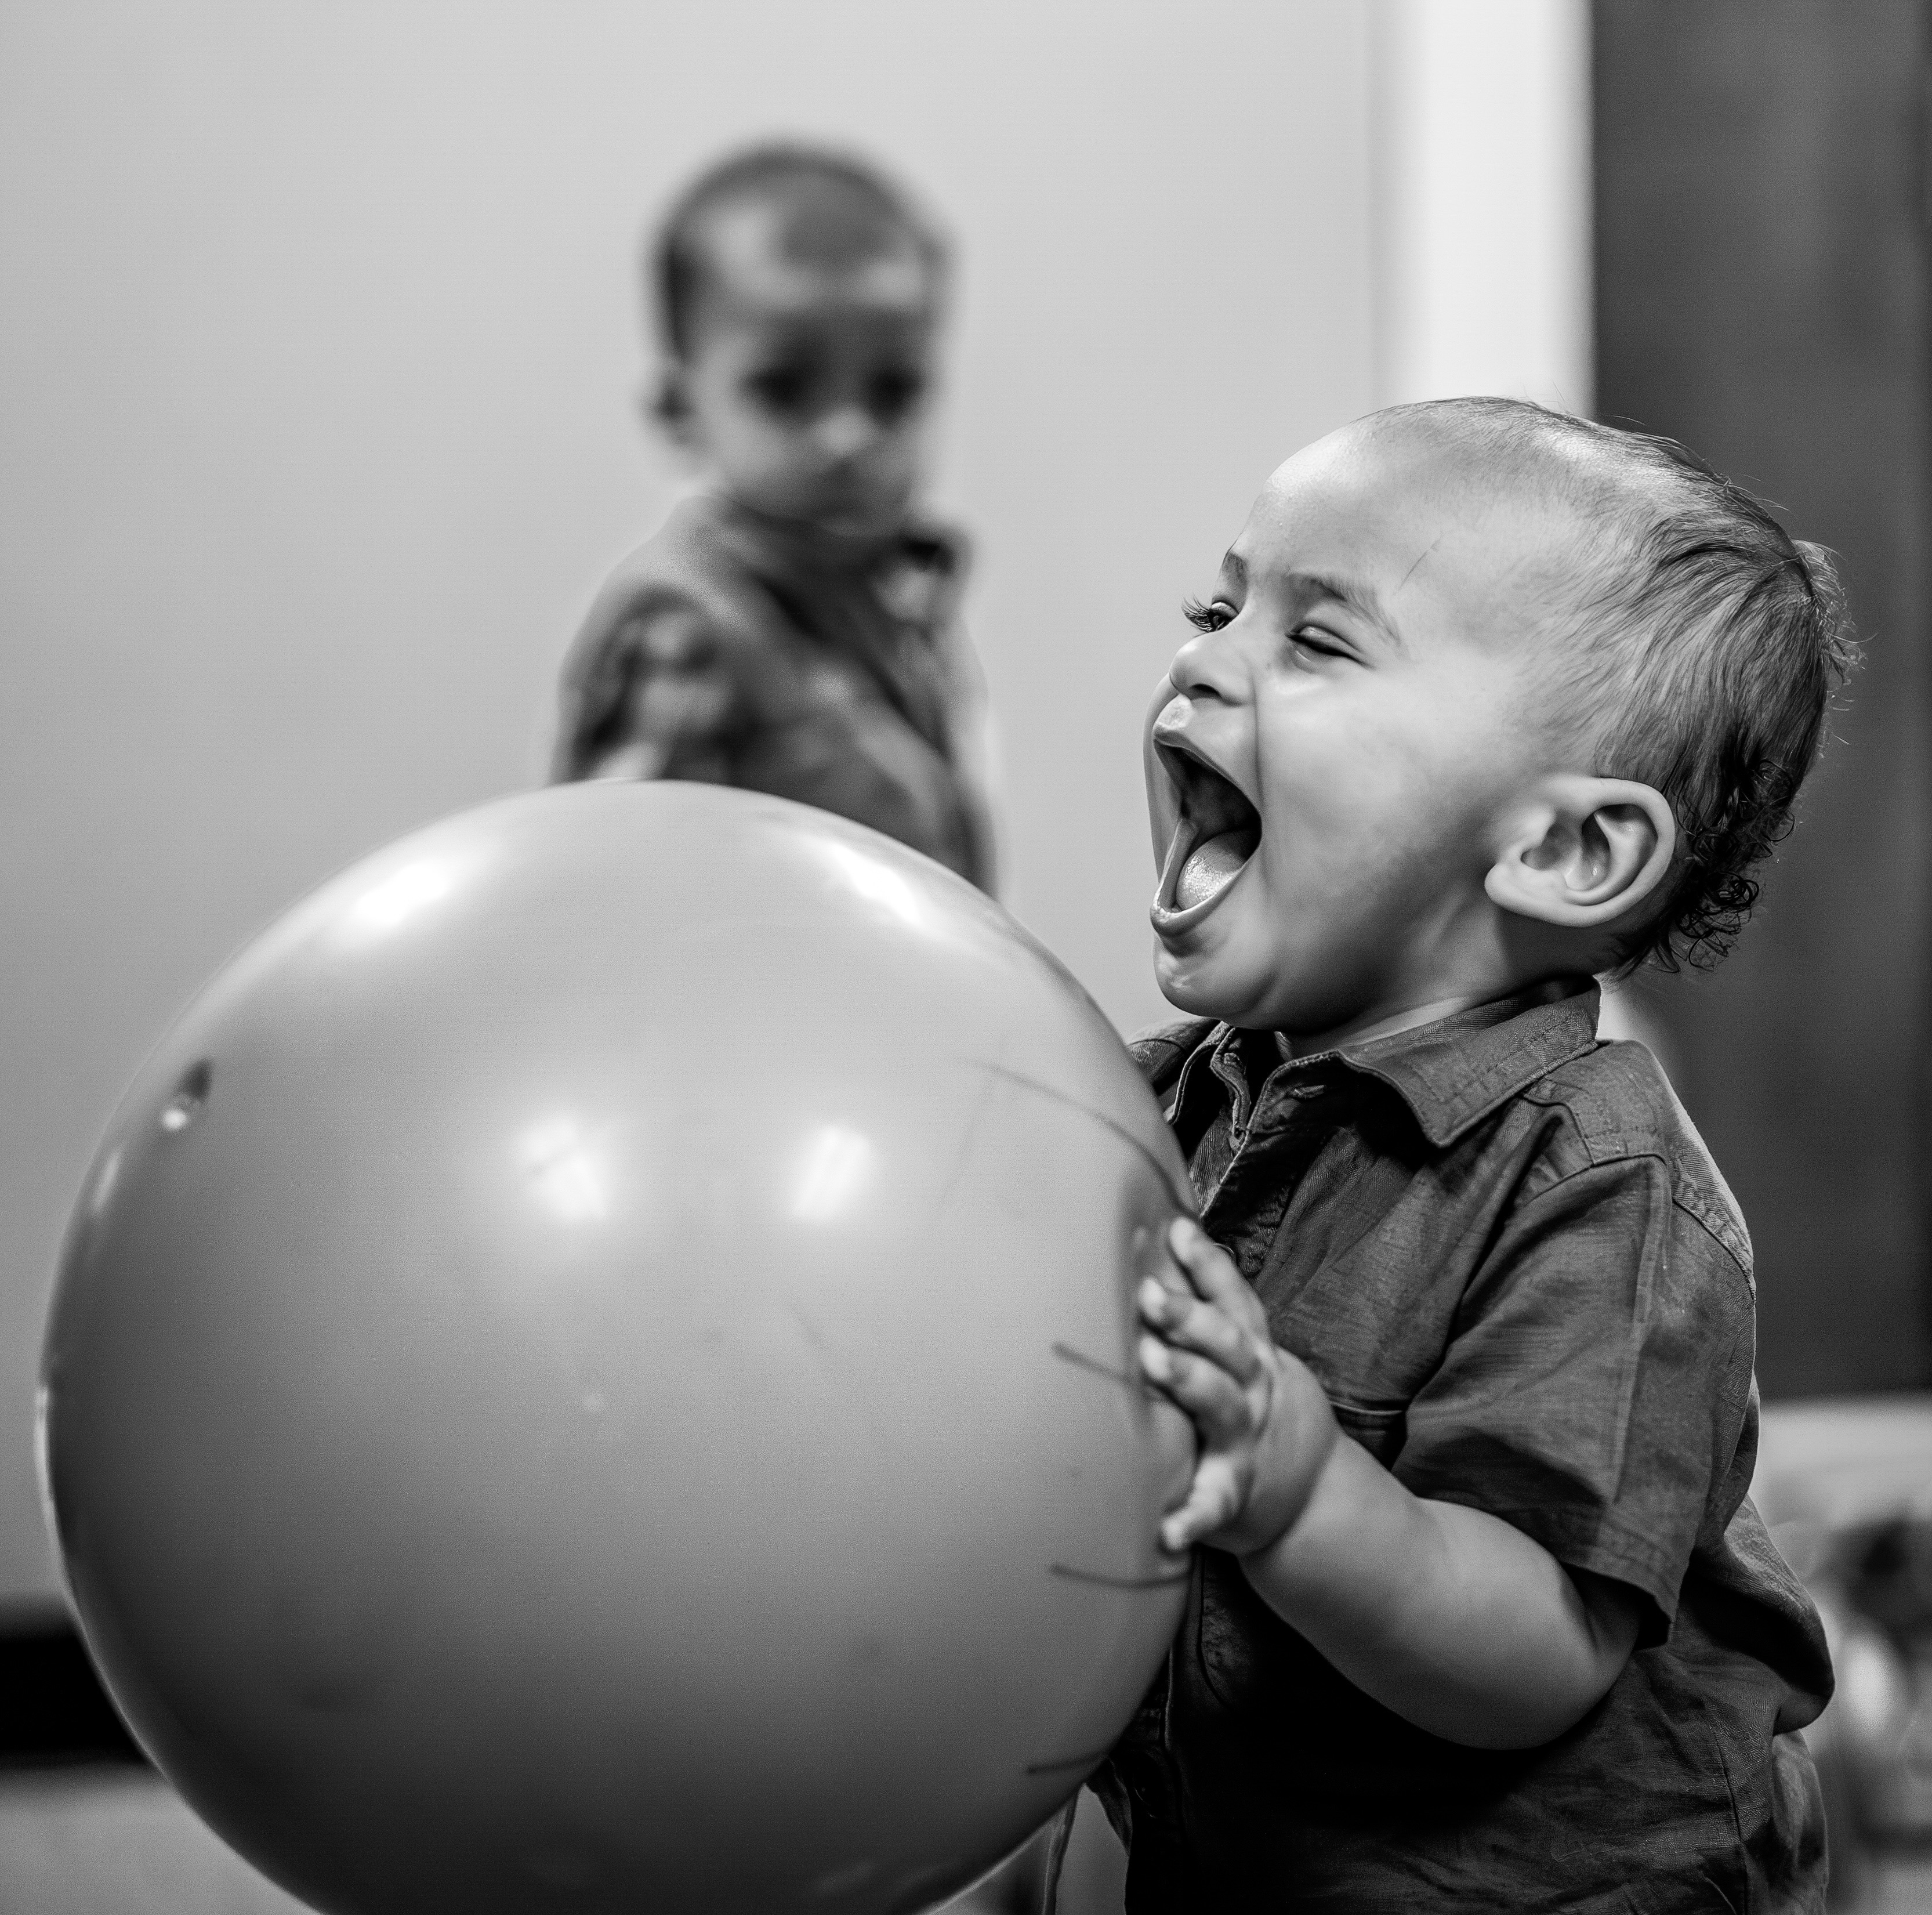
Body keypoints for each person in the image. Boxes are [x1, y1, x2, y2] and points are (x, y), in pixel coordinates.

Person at [1109, 397, 1849, 1910]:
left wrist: (1299, 1490)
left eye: (1317, 643)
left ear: (1564, 851)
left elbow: (1535, 1653)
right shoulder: (1168, 1095)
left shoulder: (1602, 1192)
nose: (1204, 660)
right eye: (1218, 608)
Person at [551, 144, 997, 893]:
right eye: (785, 388)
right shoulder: (687, 629)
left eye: (893, 390)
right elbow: (612, 889)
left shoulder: (903, 597)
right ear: (679, 411)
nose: (848, 435)